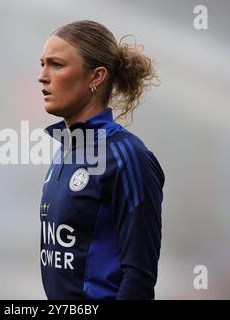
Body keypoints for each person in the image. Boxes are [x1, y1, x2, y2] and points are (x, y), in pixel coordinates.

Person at [38, 20, 165, 300]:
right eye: (42, 64)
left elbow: (139, 277)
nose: (42, 76)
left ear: (96, 77)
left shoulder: (127, 157)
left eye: (56, 65)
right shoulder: (65, 151)